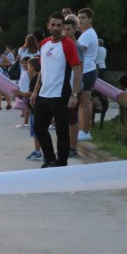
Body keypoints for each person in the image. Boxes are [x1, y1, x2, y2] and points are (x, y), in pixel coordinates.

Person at [30, 12, 83, 168]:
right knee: (39, 127)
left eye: (59, 25)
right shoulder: (44, 44)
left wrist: (74, 94)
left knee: (61, 131)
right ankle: (49, 158)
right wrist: (35, 91)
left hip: (61, 95)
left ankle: (61, 163)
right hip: (43, 94)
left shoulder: (68, 45)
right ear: (48, 25)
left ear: (62, 27)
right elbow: (42, 70)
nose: (55, 28)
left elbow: (77, 70)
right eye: (53, 25)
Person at [75, 8, 98, 142]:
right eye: (79, 17)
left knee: (84, 103)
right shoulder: (87, 33)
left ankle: (85, 131)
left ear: (90, 19)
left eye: (83, 17)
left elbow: (79, 53)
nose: (80, 20)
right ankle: (83, 130)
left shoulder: (87, 35)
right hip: (88, 70)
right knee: (84, 103)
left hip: (87, 71)